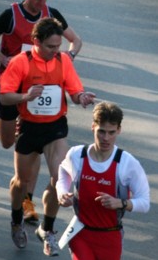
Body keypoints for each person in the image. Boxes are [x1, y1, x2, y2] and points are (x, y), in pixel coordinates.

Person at [0, 0, 82, 224]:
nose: (41, 2)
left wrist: (67, 58)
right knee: (6, 143)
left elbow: (76, 40)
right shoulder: (10, 15)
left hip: (42, 89)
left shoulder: (52, 15)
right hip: (13, 85)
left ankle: (27, 200)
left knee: (34, 148)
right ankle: (3, 125)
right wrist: (3, 60)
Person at [0, 17, 95, 255]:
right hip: (29, 128)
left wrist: (81, 97)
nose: (56, 51)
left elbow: (74, 90)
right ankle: (16, 219)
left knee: (60, 179)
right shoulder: (21, 62)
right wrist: (25, 97)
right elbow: (5, 97)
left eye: (58, 46)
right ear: (36, 41)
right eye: (50, 46)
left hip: (55, 128)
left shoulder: (63, 60)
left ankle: (47, 228)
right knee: (21, 183)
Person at [56, 101, 150, 260]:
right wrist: (62, 192)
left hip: (110, 236)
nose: (106, 138)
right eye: (101, 131)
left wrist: (121, 203)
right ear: (93, 126)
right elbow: (63, 171)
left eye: (111, 132)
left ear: (119, 130)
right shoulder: (77, 155)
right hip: (81, 232)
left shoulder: (127, 163)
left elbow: (145, 203)